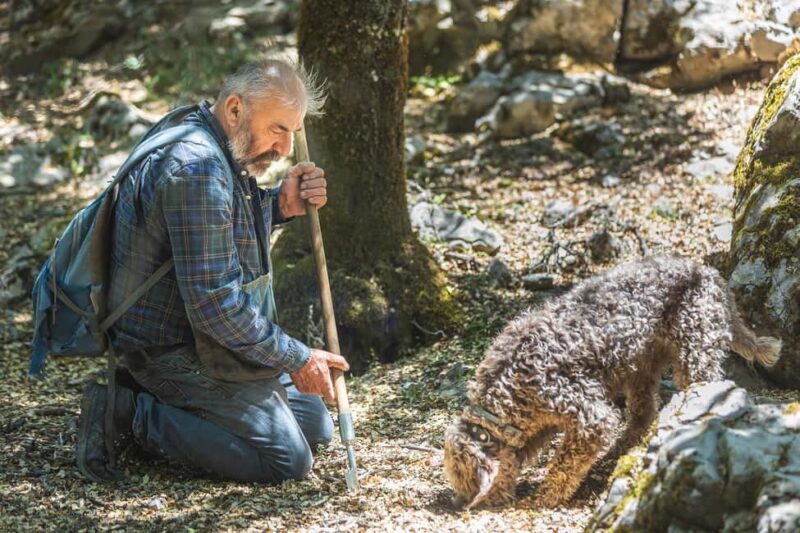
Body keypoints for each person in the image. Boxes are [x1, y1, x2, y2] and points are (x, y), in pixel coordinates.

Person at [75, 56, 350, 484]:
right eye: (278, 130)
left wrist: (279, 204)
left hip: (200, 337)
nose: (284, 149)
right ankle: (128, 411)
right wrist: (297, 356)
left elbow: (216, 227)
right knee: (287, 461)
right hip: (168, 348)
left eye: (292, 134)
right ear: (236, 109)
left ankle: (166, 401)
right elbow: (216, 306)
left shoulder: (209, 135)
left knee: (316, 426)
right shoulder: (197, 168)